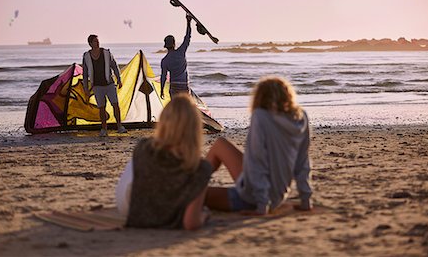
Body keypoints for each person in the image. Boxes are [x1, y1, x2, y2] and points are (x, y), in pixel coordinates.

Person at [205, 77, 313, 215]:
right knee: (220, 144)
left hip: (254, 198)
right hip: (275, 194)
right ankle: (194, 182)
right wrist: (306, 200)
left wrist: (262, 206)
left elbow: (258, 160)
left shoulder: (260, 116)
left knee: (193, 196)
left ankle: (191, 187)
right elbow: (302, 162)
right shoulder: (300, 117)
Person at [115, 94, 212, 230]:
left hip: (131, 210)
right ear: (195, 128)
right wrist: (204, 216)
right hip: (159, 217)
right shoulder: (200, 168)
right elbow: (191, 223)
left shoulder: (144, 147)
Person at [82, 34, 127, 137]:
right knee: (101, 108)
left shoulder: (106, 53)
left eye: (97, 41)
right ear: (90, 44)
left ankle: (120, 126)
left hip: (109, 84)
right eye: (94, 41)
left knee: (115, 105)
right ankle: (104, 129)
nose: (97, 43)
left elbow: (114, 66)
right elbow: (85, 73)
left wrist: (119, 79)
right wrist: (86, 88)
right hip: (97, 86)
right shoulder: (86, 56)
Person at [160, 14, 193, 99]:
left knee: (176, 110)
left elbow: (163, 76)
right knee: (185, 108)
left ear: (166, 46)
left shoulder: (165, 60)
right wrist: (188, 22)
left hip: (174, 87)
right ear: (174, 43)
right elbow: (187, 37)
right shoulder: (181, 52)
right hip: (184, 86)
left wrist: (161, 90)